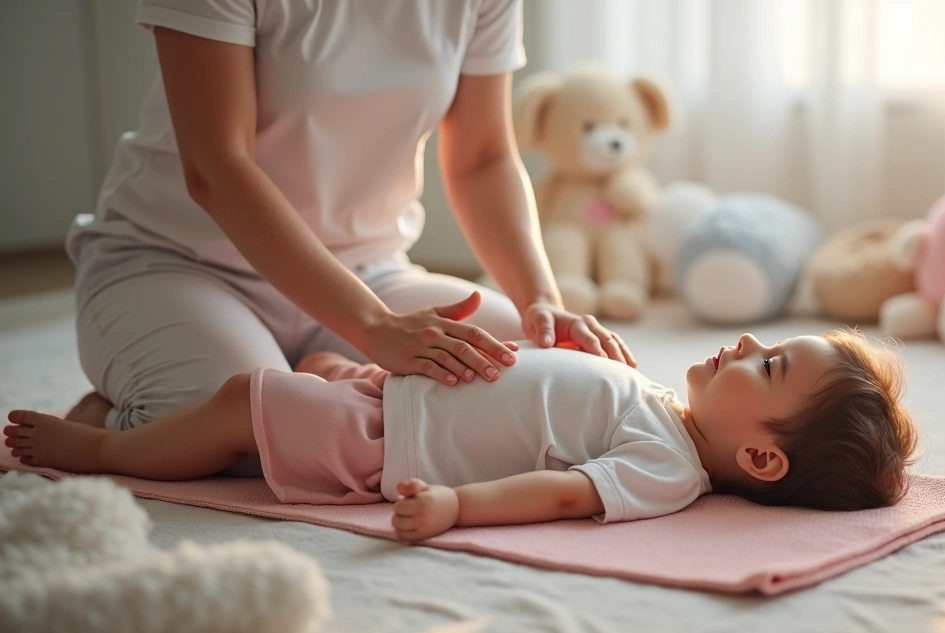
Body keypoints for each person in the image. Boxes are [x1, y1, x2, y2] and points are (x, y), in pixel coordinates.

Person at [60, 0, 633, 476]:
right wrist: (376, 330)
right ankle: (111, 420)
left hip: (367, 272)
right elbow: (216, 167)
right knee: (241, 433)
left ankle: (321, 374)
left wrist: (543, 304)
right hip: (177, 261)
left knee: (523, 373)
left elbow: (483, 159)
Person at [5, 331, 920, 542]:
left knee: (251, 396)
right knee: (316, 364)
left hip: (386, 438)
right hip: (394, 390)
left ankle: (109, 455)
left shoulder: (665, 469)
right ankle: (135, 421)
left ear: (760, 457)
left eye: (766, 370)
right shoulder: (665, 410)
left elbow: (562, 492)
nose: (747, 344)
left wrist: (455, 507)